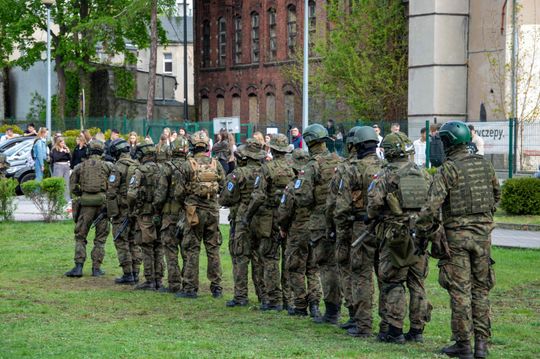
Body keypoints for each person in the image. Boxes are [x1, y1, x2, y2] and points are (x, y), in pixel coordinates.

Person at [418, 121, 500, 359]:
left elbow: (431, 208)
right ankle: (482, 345)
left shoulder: (448, 169)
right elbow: (496, 196)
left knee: (460, 291)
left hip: (457, 238)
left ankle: (463, 344)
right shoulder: (485, 165)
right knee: (481, 289)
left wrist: (423, 231)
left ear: (448, 143)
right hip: (483, 237)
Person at [367, 132, 432, 344]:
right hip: (421, 235)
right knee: (417, 282)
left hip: (396, 236)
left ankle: (394, 330)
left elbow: (374, 205)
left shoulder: (385, 175)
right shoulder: (423, 174)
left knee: (393, 281)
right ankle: (417, 330)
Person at [333, 126, 384, 337]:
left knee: (361, 276)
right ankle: (389, 325)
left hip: (360, 227)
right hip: (384, 228)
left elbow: (342, 206)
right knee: (385, 277)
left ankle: (362, 325)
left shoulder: (352, 169)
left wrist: (340, 230)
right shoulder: (386, 166)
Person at [294, 124, 343, 324]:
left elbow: (303, 198)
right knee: (344, 266)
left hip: (320, 221)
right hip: (341, 220)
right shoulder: (340, 161)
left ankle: (332, 312)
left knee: (327, 266)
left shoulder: (311, 166)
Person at [244, 134, 296, 311]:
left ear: (272, 150)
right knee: (288, 257)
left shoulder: (266, 169)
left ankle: (274, 299)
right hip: (290, 218)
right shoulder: (294, 167)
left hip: (270, 218)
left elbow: (258, 196)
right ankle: (290, 298)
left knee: (270, 257)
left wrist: (248, 216)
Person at [174, 131, 225, 298]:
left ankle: (190, 287)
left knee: (191, 249)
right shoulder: (215, 164)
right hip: (212, 211)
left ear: (193, 146)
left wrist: (186, 203)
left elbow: (179, 192)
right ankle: (216, 287)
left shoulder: (188, 164)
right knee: (213, 249)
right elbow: (223, 185)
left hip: (194, 212)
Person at [219, 139, 266, 307]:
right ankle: (264, 296)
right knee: (259, 257)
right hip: (262, 218)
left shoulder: (237, 174)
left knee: (240, 256)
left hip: (242, 218)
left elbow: (225, 197)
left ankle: (241, 296)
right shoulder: (265, 171)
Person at [277, 149, 322, 317]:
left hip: (297, 232)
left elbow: (284, 212)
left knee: (296, 268)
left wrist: (283, 227)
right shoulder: (317, 186)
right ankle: (315, 304)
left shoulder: (293, 186)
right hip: (315, 229)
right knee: (313, 268)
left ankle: (300, 305)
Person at [65, 140, 112, 278]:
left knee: (80, 236)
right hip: (103, 206)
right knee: (100, 239)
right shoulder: (108, 166)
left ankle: (78, 267)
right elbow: (114, 185)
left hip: (85, 206)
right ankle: (96, 269)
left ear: (88, 151)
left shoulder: (80, 167)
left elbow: (73, 187)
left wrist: (82, 194)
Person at [154, 137, 190, 294]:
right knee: (187, 250)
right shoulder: (192, 166)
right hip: (189, 214)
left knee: (170, 249)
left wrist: (157, 210)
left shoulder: (166, 168)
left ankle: (174, 283)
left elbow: (160, 194)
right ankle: (189, 282)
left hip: (170, 214)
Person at [127, 141, 164, 291]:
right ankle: (159, 280)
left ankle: (150, 280)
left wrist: (132, 210)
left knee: (147, 246)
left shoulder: (140, 171)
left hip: (145, 213)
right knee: (159, 246)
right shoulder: (162, 168)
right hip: (161, 214)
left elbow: (131, 194)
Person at [107, 138, 143, 285]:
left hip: (121, 211)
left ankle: (128, 274)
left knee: (121, 241)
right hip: (135, 211)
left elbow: (111, 192)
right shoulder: (138, 165)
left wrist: (112, 213)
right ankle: (135, 272)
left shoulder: (117, 167)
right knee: (134, 241)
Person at [50, 136, 72, 203]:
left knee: (66, 183)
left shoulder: (65, 148)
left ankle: (67, 199)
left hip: (66, 166)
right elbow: (56, 158)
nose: (63, 144)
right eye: (62, 143)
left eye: (63, 143)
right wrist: (63, 152)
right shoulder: (54, 149)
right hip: (58, 166)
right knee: (58, 182)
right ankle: (57, 199)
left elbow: (69, 158)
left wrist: (68, 152)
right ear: (58, 143)